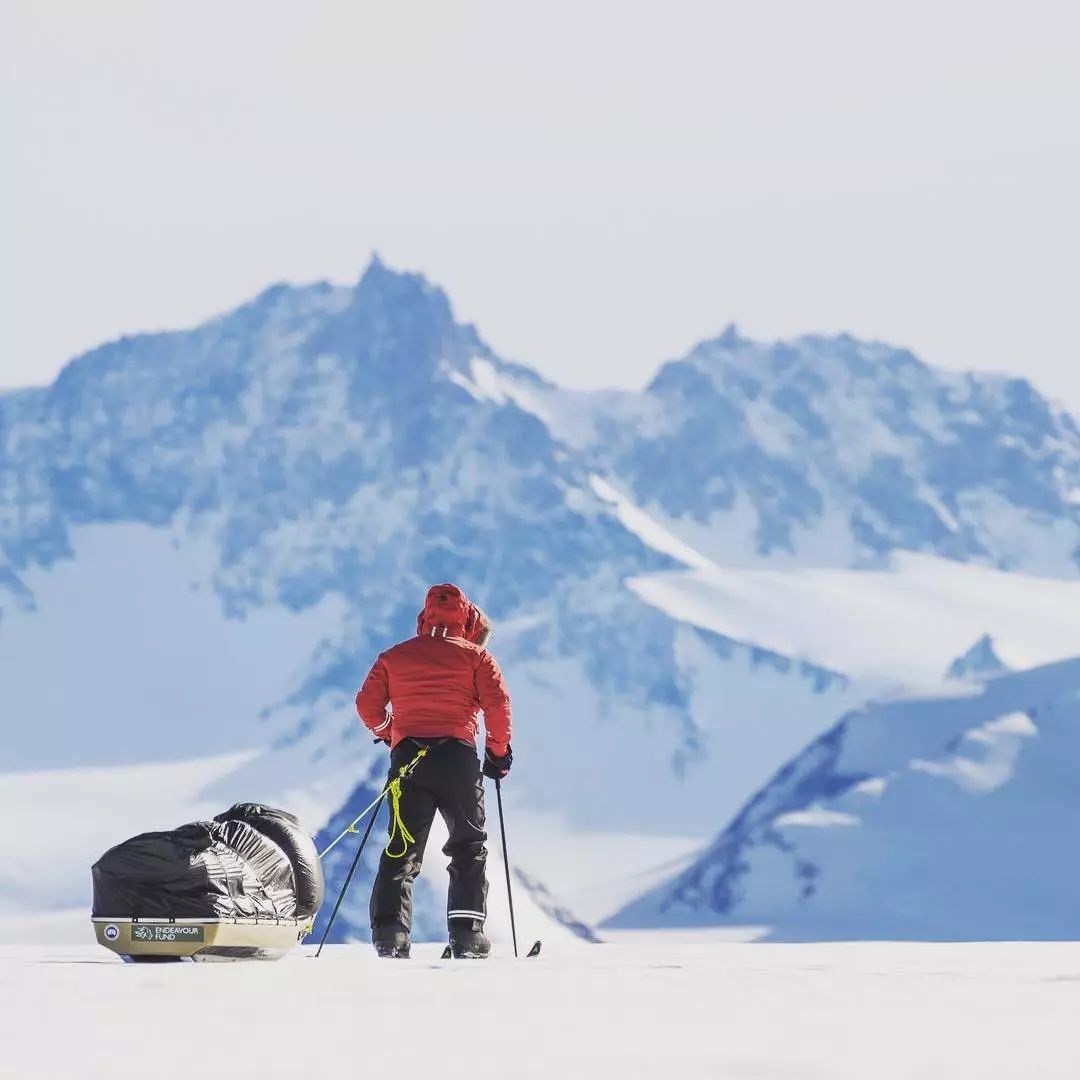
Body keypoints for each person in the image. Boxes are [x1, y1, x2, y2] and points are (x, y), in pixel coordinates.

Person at [355, 583, 513, 959]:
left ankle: (390, 934)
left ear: (425, 616)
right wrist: (497, 754)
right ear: (468, 618)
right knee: (468, 846)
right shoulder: (477, 658)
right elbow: (498, 707)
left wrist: (389, 733)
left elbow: (367, 705)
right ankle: (467, 933)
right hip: (458, 759)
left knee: (401, 847)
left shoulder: (394, 657)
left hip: (409, 760)